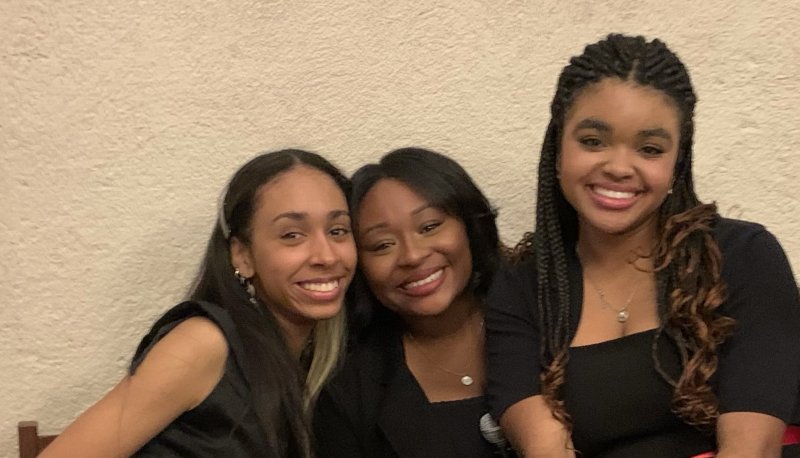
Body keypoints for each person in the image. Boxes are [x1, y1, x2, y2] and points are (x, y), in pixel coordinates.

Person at [485, 34, 800, 458]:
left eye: (649, 149)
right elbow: (543, 447)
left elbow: (753, 449)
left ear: (676, 164)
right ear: (558, 148)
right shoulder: (523, 288)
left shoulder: (743, 256)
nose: (618, 167)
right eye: (593, 141)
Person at [41, 149, 357, 458]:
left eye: (338, 230)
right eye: (291, 235)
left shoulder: (316, 358)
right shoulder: (203, 343)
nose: (326, 256)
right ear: (242, 255)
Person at [313, 147, 511, 457]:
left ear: (470, 226)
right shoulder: (348, 390)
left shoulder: (541, 317)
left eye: (429, 227)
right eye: (382, 245)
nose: (412, 255)